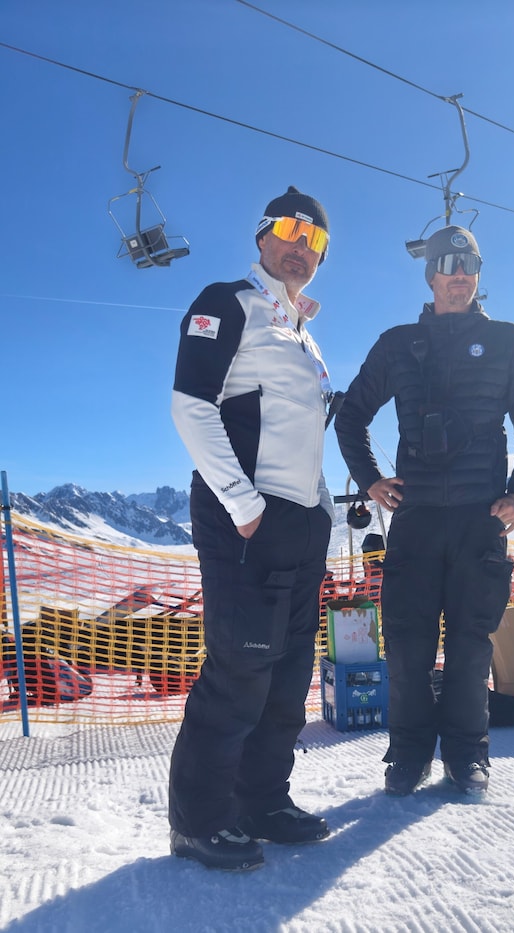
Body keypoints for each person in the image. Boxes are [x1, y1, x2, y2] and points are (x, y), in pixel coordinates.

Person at [334, 225, 514, 797]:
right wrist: (371, 480)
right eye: (448, 265)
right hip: (417, 518)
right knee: (407, 646)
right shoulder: (397, 343)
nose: (459, 276)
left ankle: (466, 755)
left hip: (480, 521)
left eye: (469, 265)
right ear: (429, 274)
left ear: (478, 273)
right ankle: (407, 756)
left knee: (470, 646)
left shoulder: (510, 341)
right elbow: (352, 414)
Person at [168, 186, 336, 871]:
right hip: (246, 519)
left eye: (316, 240)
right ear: (263, 236)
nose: (301, 247)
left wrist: (322, 508)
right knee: (240, 668)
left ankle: (263, 800)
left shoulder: (302, 333)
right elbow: (190, 405)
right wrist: (242, 504)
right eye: (292, 232)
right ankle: (200, 820)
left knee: (288, 673)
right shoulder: (228, 301)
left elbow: (304, 435)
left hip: (300, 521)